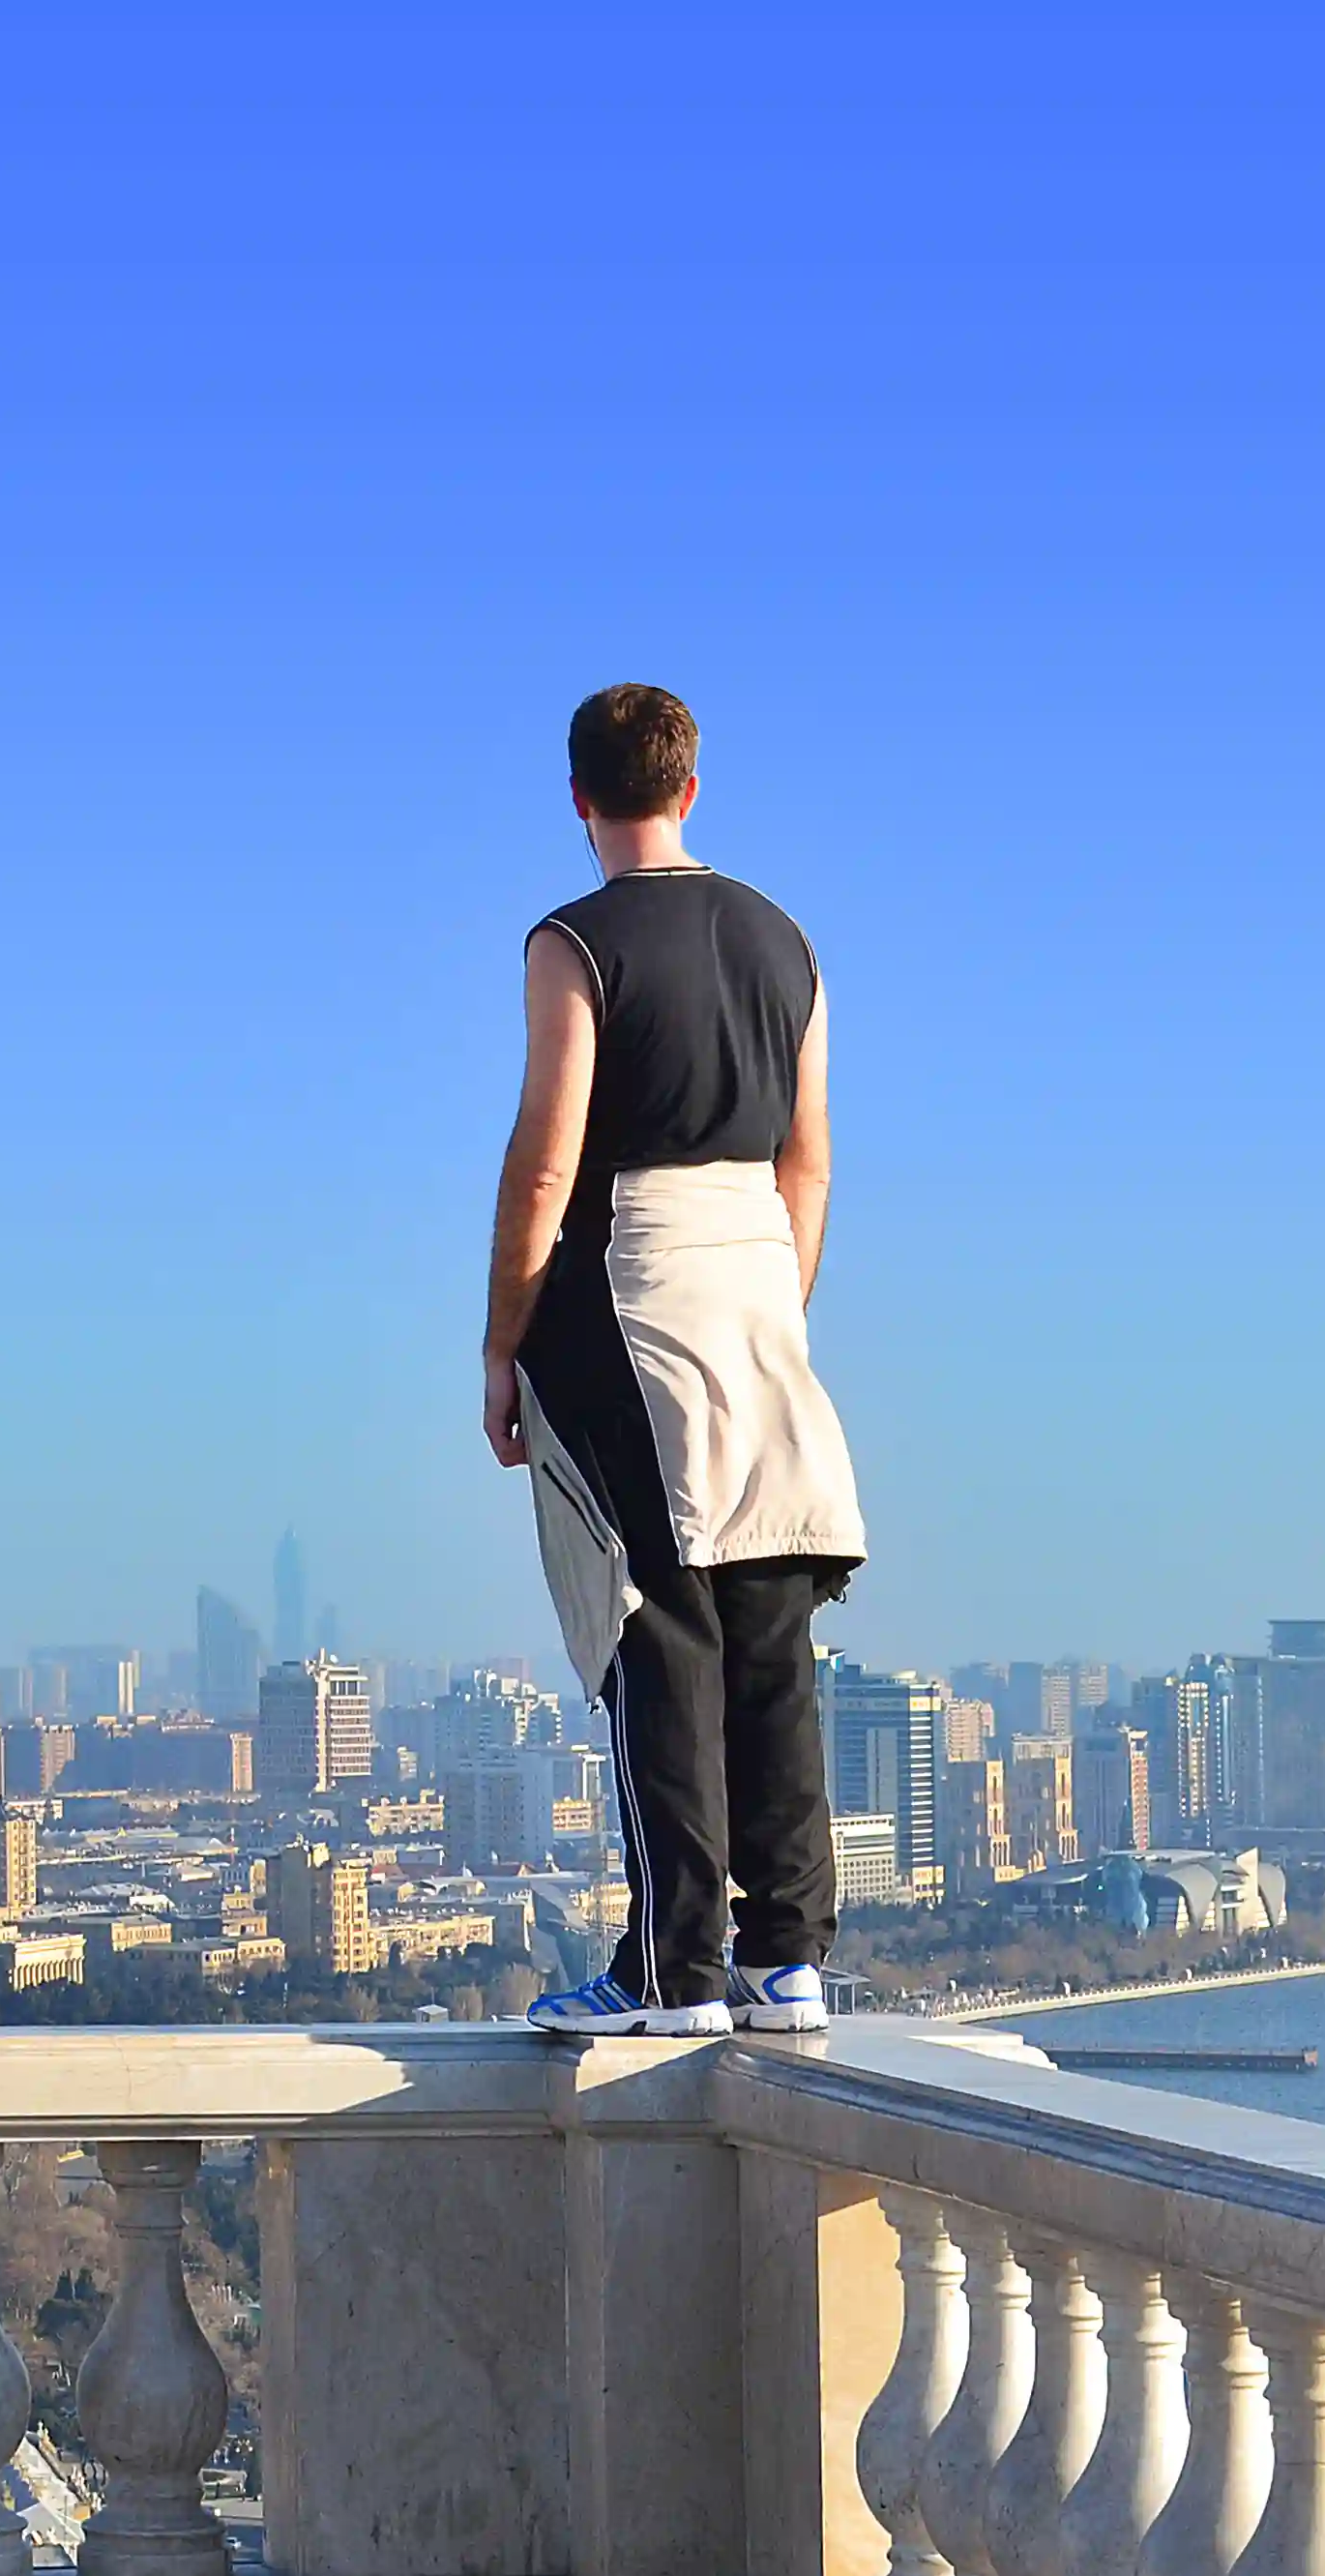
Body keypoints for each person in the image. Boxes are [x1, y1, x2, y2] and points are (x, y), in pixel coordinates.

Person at [481, 685, 867, 2037]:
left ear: (581, 801)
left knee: (659, 1623)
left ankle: (672, 1970)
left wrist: (501, 1344)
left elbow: (548, 1158)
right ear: (690, 787)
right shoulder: (786, 942)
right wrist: (782, 1295)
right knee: (772, 1620)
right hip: (760, 1285)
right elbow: (807, 1155)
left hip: (632, 1285)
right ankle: (787, 1955)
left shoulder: (573, 944)